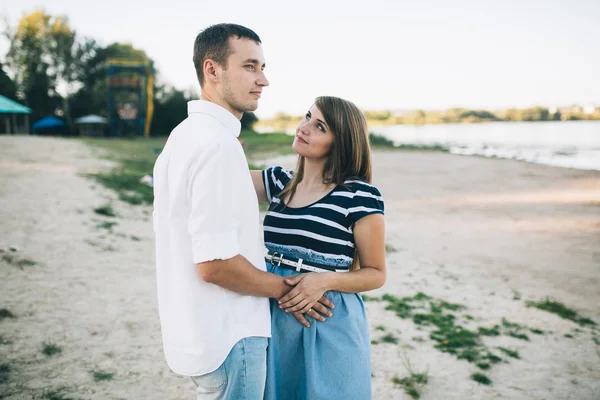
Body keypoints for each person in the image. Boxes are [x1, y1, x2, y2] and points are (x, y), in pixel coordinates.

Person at [152, 24, 333, 399]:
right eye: (250, 66)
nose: (263, 80)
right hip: (230, 332)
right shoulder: (216, 144)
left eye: (263, 67)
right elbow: (215, 264)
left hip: (199, 329)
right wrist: (294, 291)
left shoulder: (184, 135)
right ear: (212, 69)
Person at [250, 96, 387, 399]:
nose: (304, 128)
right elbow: (219, 178)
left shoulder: (358, 195)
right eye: (308, 116)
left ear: (340, 143)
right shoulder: (279, 182)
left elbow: (376, 273)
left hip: (327, 319)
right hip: (273, 314)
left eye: (320, 126)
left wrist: (324, 280)